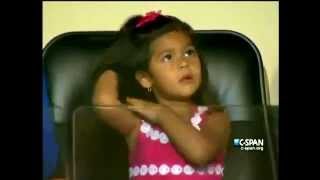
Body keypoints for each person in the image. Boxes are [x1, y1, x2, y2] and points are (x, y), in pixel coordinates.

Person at [92, 10, 231, 180]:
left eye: (189, 52)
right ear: (146, 79)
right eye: (167, 57)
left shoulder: (214, 117)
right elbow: (104, 101)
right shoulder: (138, 126)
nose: (183, 63)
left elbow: (200, 153)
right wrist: (115, 65)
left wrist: (161, 114)